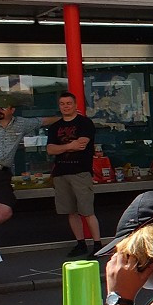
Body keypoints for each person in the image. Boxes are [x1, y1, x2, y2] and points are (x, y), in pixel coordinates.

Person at [0, 91, 56, 231]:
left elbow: (42, 121)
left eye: (3, 108)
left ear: (12, 109)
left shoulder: (21, 123)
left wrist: (68, 117)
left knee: (5, 212)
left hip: (3, 172)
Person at [47, 92, 102, 257]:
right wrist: (69, 145)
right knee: (71, 211)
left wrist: (62, 147)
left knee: (87, 211)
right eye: (62, 103)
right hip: (60, 173)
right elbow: (50, 150)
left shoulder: (85, 123)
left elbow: (82, 145)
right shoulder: (55, 127)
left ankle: (98, 244)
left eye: (68, 103)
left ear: (75, 104)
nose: (65, 106)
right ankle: (81, 243)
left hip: (80, 172)